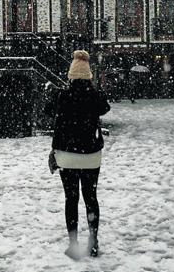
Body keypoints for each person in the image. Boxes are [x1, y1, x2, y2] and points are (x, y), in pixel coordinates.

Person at [51, 50, 110, 259]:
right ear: (88, 76)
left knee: (71, 199)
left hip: (67, 154)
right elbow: (105, 108)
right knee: (91, 198)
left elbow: (58, 126)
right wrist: (94, 89)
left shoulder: (63, 96)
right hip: (91, 155)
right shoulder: (95, 96)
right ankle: (93, 243)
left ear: (71, 75)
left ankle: (73, 243)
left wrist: (53, 151)